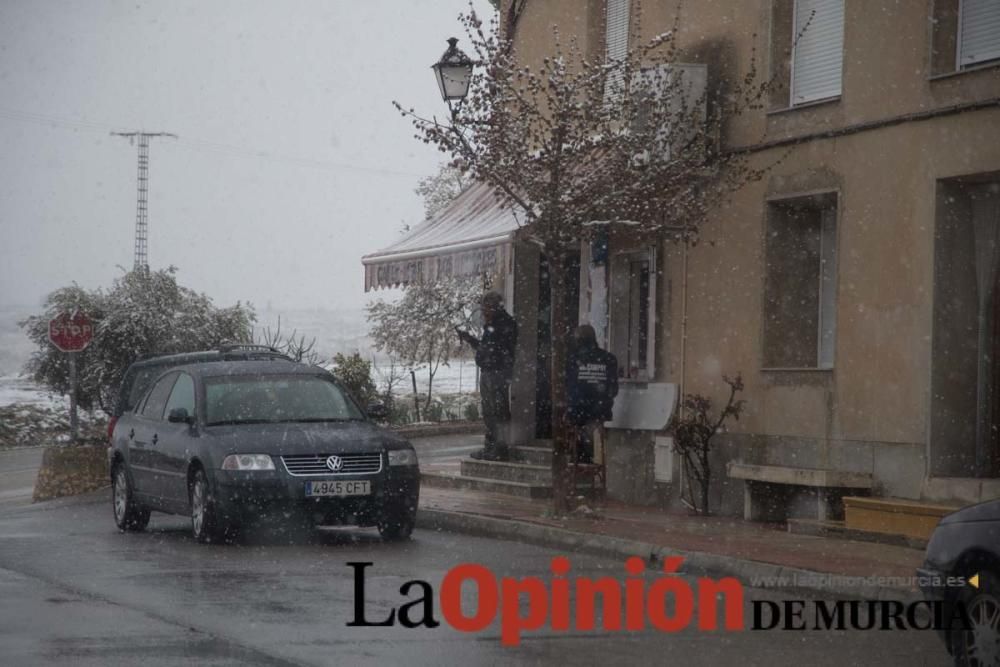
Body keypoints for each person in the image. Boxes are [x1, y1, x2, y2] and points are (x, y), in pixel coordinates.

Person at [456, 291, 518, 461]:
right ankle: (492, 446)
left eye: (485, 308)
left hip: (496, 372)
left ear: (493, 307)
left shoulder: (502, 325)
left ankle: (498, 448)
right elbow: (487, 348)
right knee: (491, 411)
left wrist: (484, 351)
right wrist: (470, 339)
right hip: (492, 371)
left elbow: (495, 351)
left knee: (496, 411)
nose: (483, 312)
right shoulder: (496, 324)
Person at [566, 324, 618, 464]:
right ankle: (590, 465)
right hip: (599, 411)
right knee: (594, 443)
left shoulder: (572, 360)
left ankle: (580, 463)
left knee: (579, 446)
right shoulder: (609, 359)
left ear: (579, 341)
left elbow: (568, 385)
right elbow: (613, 389)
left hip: (578, 411)